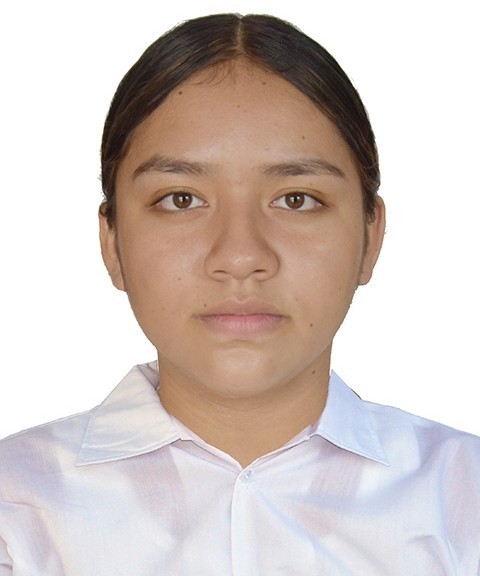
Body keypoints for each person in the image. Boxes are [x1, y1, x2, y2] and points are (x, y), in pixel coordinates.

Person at [0, 12, 478, 575]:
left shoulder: (463, 502)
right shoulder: (17, 510)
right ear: (112, 242)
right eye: (181, 199)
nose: (241, 255)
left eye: (297, 199)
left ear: (371, 237)